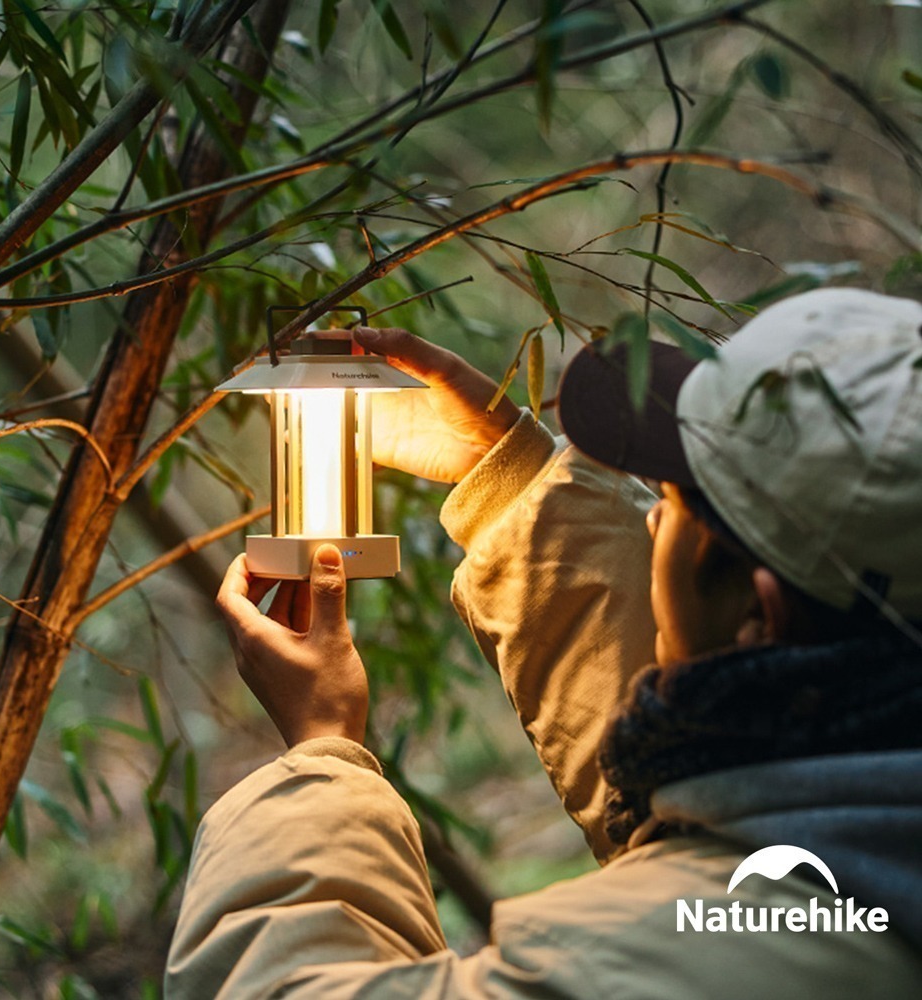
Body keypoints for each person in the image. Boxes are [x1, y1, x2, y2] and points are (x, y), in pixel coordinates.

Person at [165, 288, 922, 998]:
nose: (652, 520)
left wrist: (321, 753)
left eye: (677, 504)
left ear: (760, 618)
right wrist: (515, 480)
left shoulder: (661, 960)